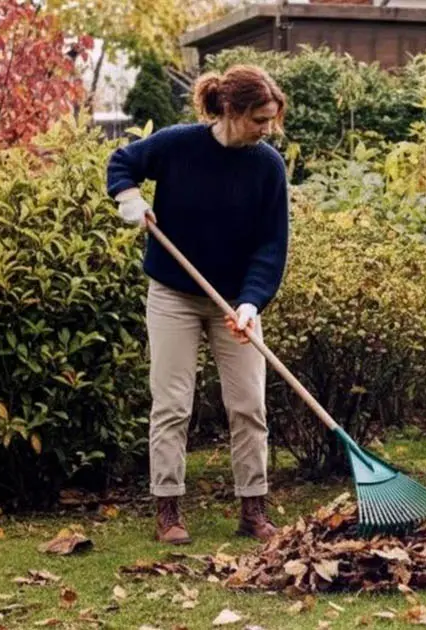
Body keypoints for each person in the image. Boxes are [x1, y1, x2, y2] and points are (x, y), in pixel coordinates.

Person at [106, 65, 290, 544]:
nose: (267, 129)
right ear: (230, 109)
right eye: (259, 119)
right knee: (172, 404)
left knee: (249, 405)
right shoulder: (178, 145)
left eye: (271, 119)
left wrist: (251, 304)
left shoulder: (267, 166)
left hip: (234, 302)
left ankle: (253, 510)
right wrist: (128, 196)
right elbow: (122, 161)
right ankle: (168, 510)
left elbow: (271, 246)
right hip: (174, 295)